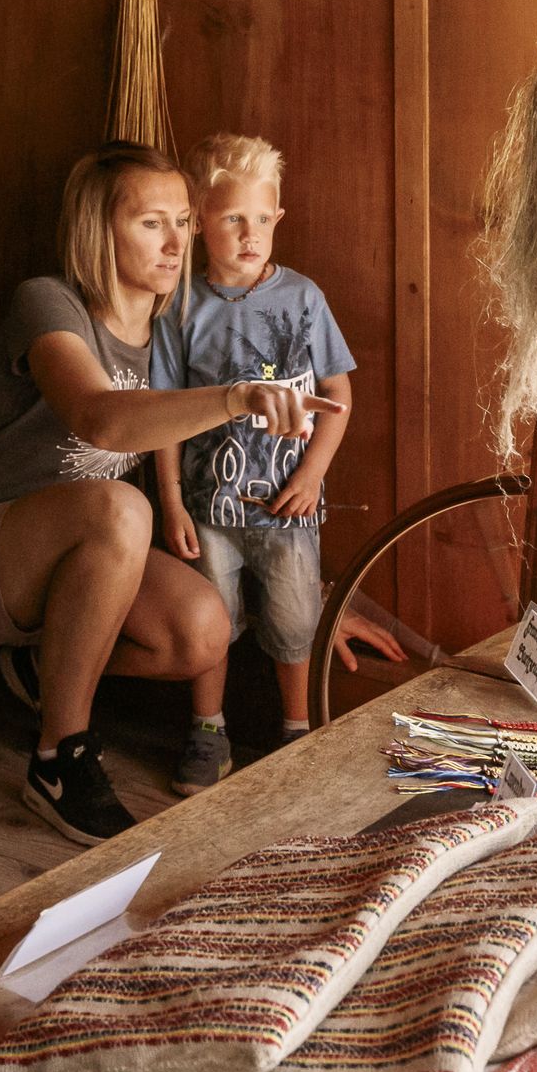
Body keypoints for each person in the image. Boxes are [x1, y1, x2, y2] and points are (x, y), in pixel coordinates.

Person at [0, 142, 337, 846]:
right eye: (151, 223)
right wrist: (232, 395)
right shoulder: (49, 303)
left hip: (70, 573)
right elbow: (100, 419)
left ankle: (41, 668)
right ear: (99, 231)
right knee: (119, 502)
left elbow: (227, 476)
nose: (176, 241)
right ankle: (59, 759)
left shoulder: (179, 327)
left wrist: (324, 587)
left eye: (185, 221)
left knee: (204, 629)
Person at [152, 135, 356, 791]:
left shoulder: (301, 299)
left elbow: (339, 396)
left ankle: (297, 726)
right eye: (231, 218)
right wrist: (171, 501)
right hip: (209, 506)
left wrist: (312, 473)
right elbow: (161, 413)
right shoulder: (181, 307)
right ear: (199, 221)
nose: (249, 233)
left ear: (278, 218)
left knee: (295, 618)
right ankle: (209, 729)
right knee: (211, 621)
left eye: (261, 218)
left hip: (286, 506)